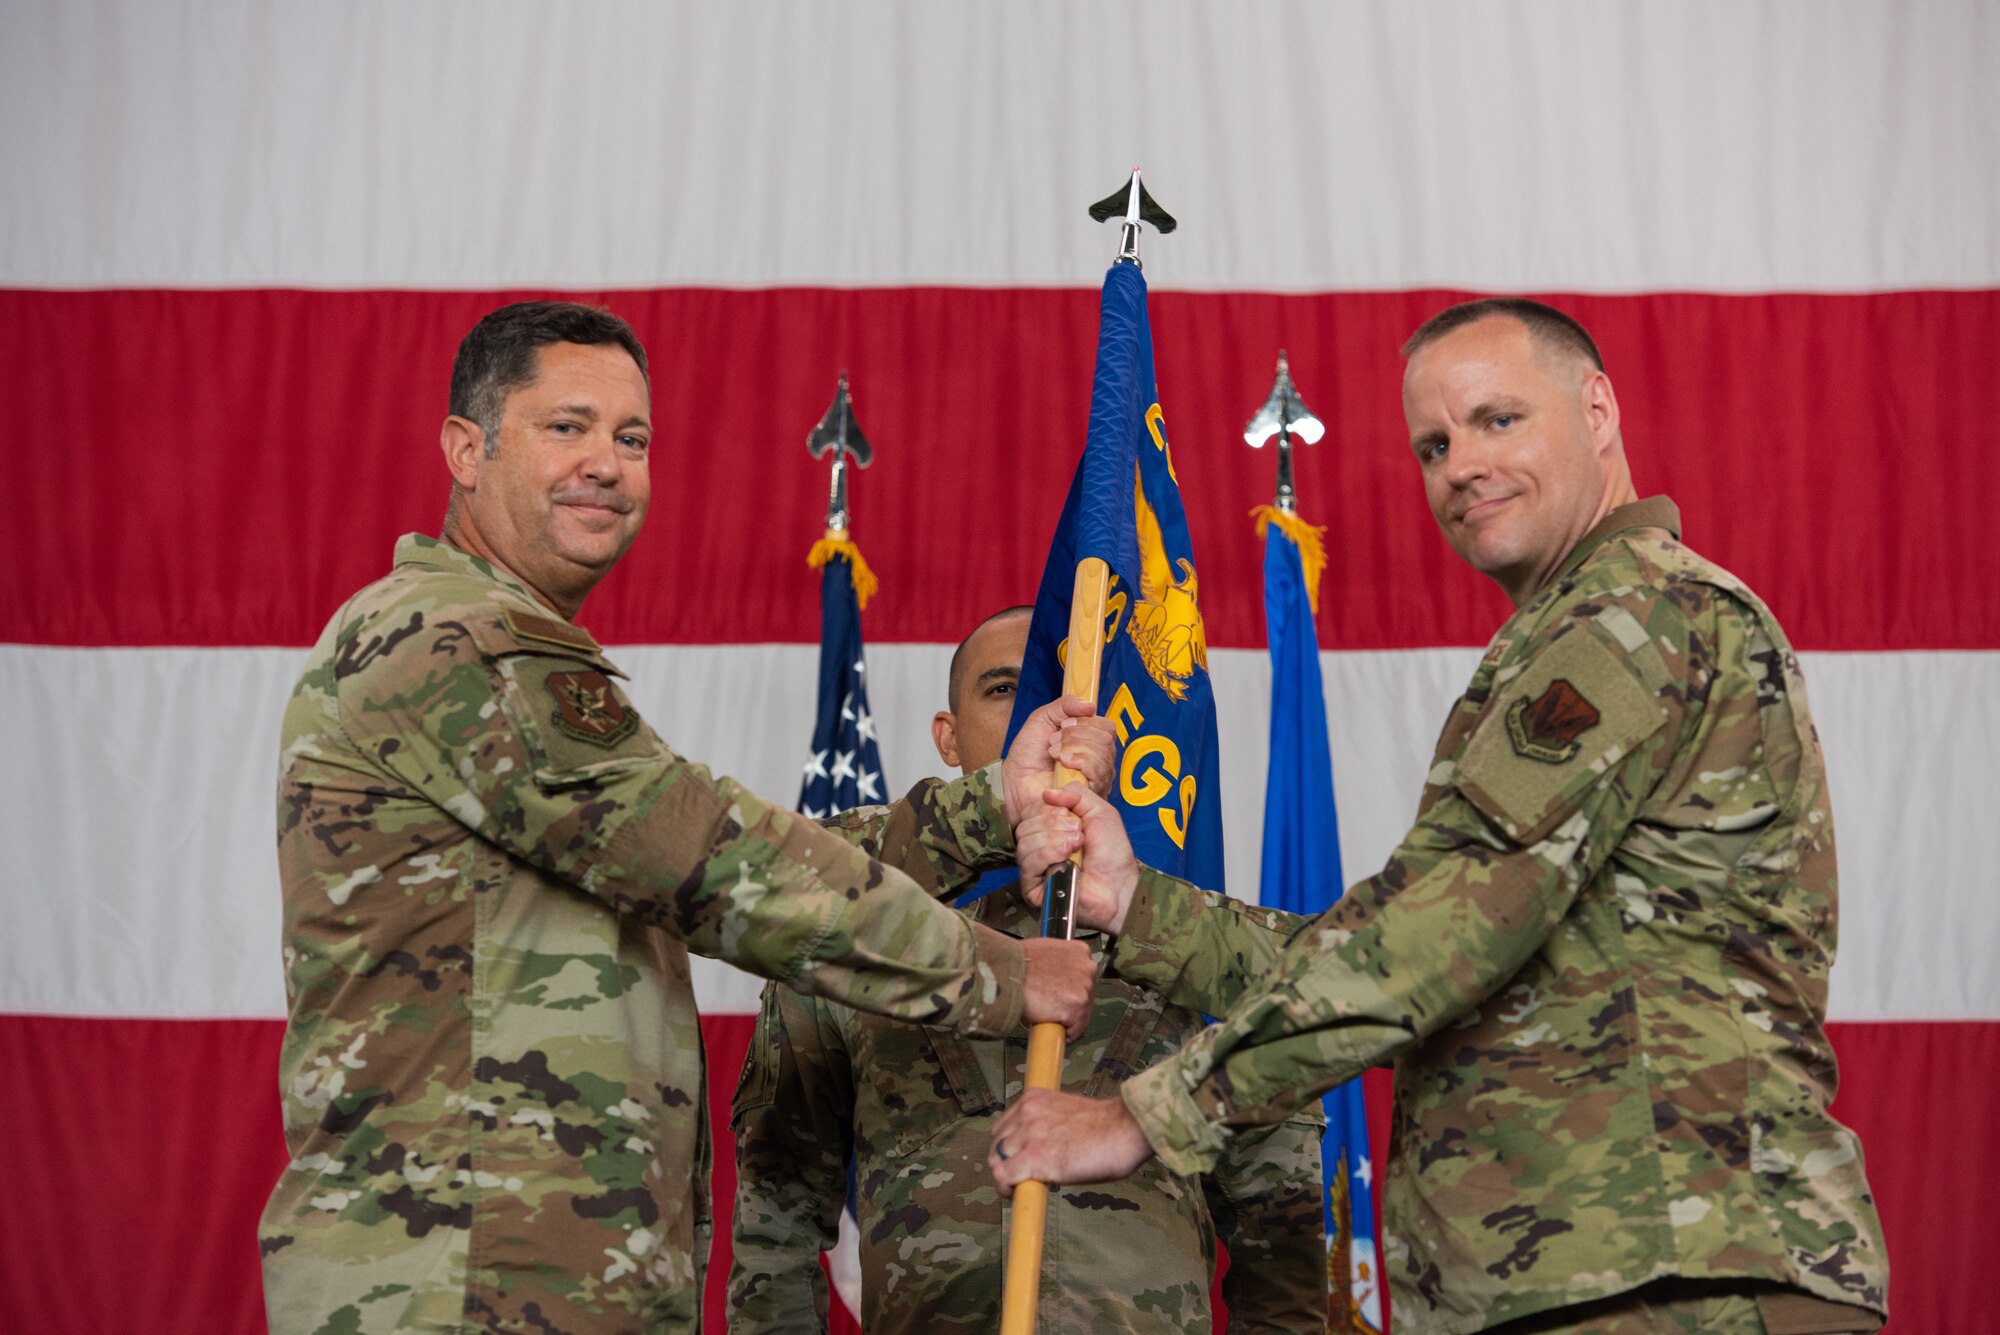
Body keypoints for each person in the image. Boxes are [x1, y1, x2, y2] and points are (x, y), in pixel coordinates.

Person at [988, 299, 1889, 1334]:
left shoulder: (1639, 617)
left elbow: (1433, 936)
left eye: (1496, 419)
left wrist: (1139, 1116)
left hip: (1672, 1280)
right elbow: (1419, 941)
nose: (1459, 465)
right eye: (1432, 442)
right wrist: (1137, 907)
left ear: (1594, 409)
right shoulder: (1572, 630)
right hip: (1590, 1275)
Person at [258, 301, 1110, 1335]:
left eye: (632, 438)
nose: (608, 465)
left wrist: (991, 804)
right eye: (565, 426)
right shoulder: (456, 643)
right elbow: (719, 865)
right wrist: (1006, 975)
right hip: (457, 1280)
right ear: (465, 451)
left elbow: (706, 852)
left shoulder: (506, 649)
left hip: (526, 1274)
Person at [727, 607, 1328, 1334]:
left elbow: (1282, 1239)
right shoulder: (858, 930)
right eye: (1005, 688)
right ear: (947, 737)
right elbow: (776, 1224)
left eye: (1067, 694)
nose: (1041, 714)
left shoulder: (1190, 940)